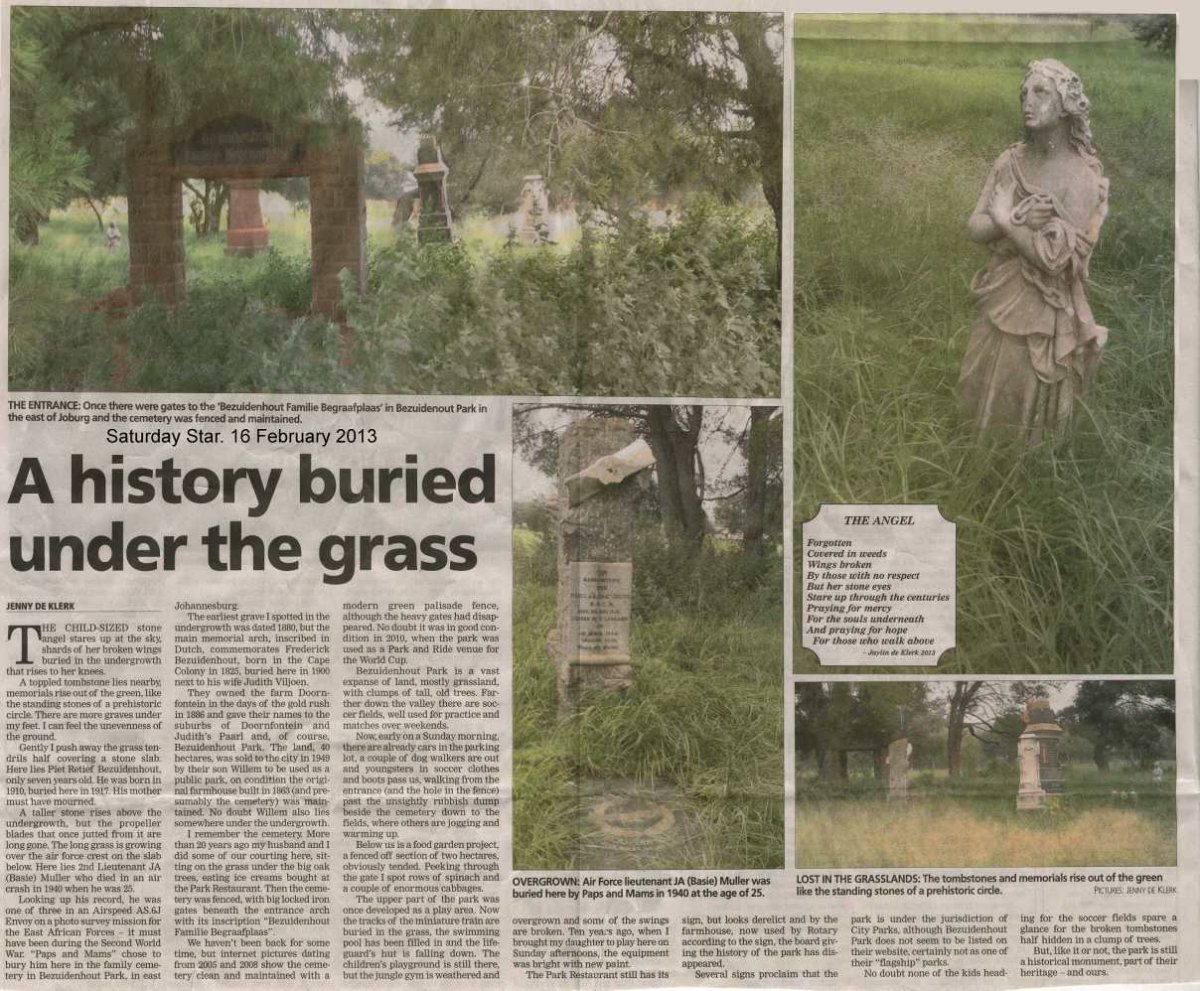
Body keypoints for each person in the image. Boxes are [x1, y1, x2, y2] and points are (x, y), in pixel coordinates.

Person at [958, 59, 1109, 442]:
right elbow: (975, 227)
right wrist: (1005, 217)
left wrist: (1009, 222)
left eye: (1041, 92)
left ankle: (1027, 474)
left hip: (1047, 311)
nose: (1028, 100)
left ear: (1065, 104)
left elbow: (1056, 262)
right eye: (1024, 92)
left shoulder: (1082, 175)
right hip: (1000, 295)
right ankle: (979, 464)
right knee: (979, 388)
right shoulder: (1009, 162)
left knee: (1026, 396)